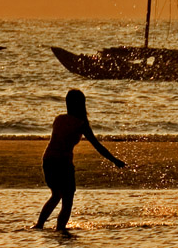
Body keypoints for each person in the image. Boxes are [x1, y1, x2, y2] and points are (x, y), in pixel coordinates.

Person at [34, 89, 125, 232]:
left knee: (56, 195)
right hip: (63, 163)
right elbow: (97, 146)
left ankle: (39, 225)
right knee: (67, 200)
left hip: (48, 160)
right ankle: (60, 230)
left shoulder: (58, 119)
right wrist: (115, 160)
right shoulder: (80, 124)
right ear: (82, 104)